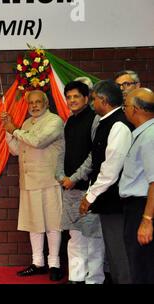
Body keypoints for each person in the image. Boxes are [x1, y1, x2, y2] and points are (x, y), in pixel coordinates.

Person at [1, 90, 64, 281]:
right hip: (28, 182)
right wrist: (7, 129)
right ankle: (38, 263)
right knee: (33, 223)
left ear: (46, 103)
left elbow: (37, 141)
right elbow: (15, 151)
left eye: (38, 102)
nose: (34, 106)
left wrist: (14, 129)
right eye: (31, 103)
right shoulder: (27, 123)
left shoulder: (55, 121)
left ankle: (54, 264)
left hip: (49, 180)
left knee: (53, 223)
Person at [79, 80, 133, 284]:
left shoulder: (118, 124)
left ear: (104, 100)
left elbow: (111, 168)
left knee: (119, 250)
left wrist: (90, 195)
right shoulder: (107, 122)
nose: (92, 104)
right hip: (108, 199)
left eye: (93, 99)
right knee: (113, 249)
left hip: (116, 200)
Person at [56, 81, 105, 284]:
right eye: (69, 97)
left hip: (89, 190)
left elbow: (95, 156)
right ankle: (76, 278)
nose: (72, 100)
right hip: (68, 189)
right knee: (75, 236)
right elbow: (63, 152)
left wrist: (74, 178)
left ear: (87, 99)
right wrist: (60, 175)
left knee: (93, 238)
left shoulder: (95, 121)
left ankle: (93, 279)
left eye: (76, 96)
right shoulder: (69, 121)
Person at [119, 88, 154, 284]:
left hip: (143, 208)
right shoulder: (142, 134)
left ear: (135, 109)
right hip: (137, 208)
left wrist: (147, 220)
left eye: (125, 106)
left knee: (144, 269)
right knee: (139, 265)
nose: (124, 110)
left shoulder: (150, 137)